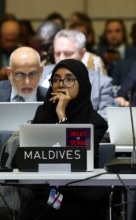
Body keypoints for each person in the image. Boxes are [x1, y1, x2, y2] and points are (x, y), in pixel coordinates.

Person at [27, 59, 108, 219]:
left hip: (81, 194)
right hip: (45, 192)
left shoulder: (95, 121)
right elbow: (28, 156)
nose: (61, 84)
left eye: (69, 79)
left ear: (82, 83)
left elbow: (77, 159)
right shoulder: (43, 112)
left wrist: (62, 116)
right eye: (56, 79)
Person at [40, 29, 115, 119]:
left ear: (82, 53)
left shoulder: (102, 83)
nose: (61, 58)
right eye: (57, 53)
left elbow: (107, 118)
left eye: (68, 53)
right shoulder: (40, 74)